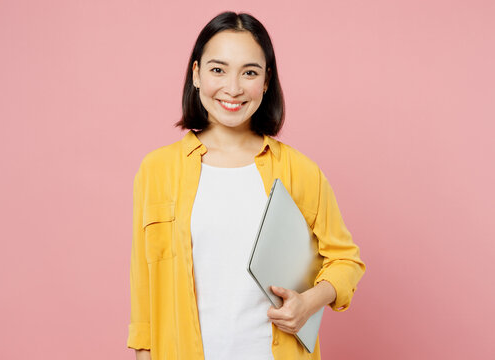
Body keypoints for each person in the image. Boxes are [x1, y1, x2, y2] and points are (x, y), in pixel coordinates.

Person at [127, 11, 365, 360]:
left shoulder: (299, 171)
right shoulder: (157, 171)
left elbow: (346, 260)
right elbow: (143, 292)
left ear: (266, 81)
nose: (233, 88)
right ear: (196, 74)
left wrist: (308, 303)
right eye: (218, 69)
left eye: (249, 72)